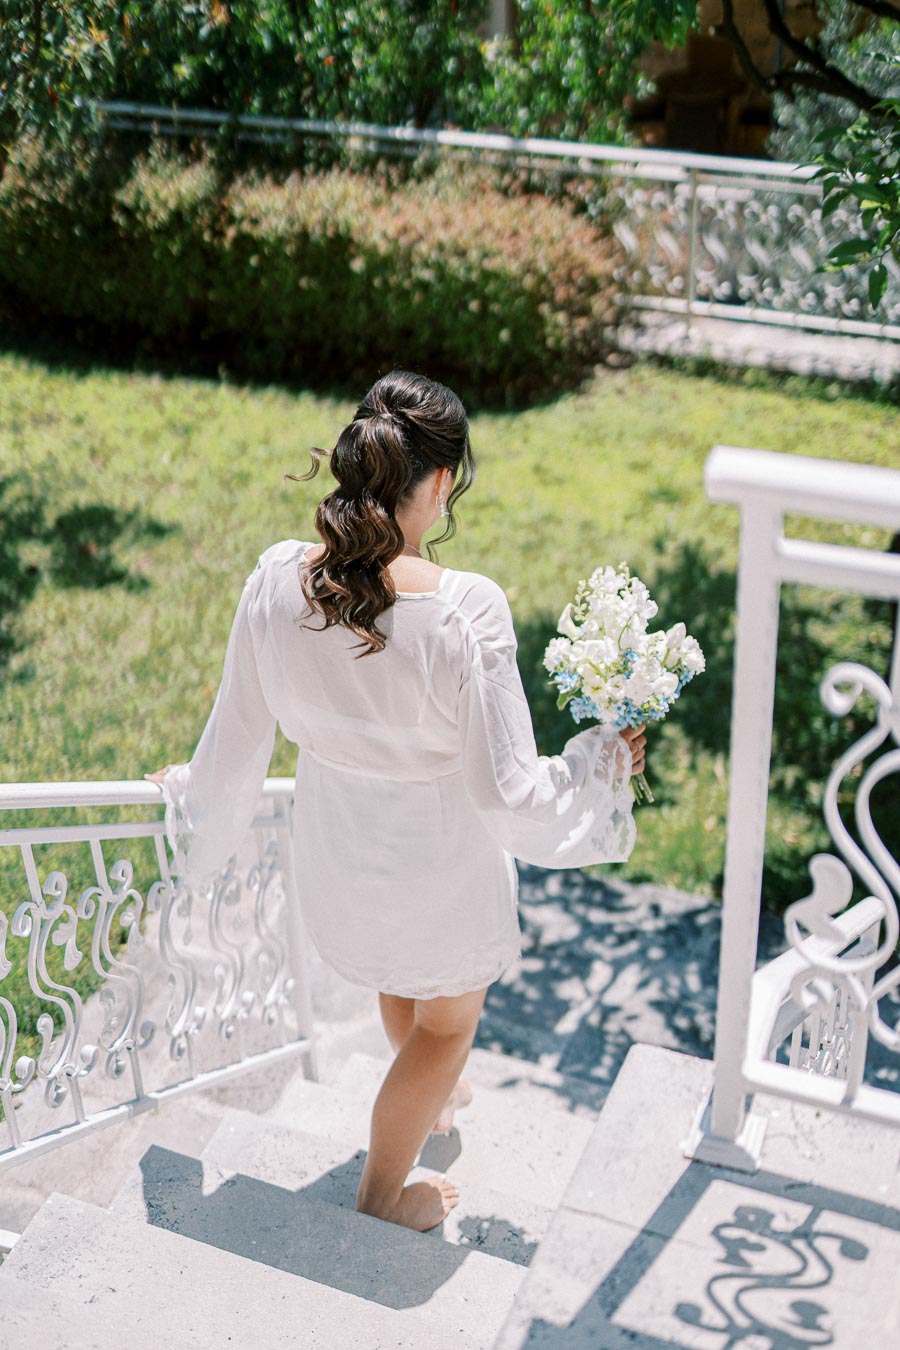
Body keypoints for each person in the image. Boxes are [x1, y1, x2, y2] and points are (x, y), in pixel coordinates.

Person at [147, 369, 645, 1234]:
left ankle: (433, 1111)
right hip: (440, 872)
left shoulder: (275, 581)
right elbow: (508, 790)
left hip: (339, 863)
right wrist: (598, 768)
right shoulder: (465, 611)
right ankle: (382, 1192)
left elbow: (237, 737)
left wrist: (190, 795)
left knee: (399, 982)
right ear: (442, 481)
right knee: (447, 1027)